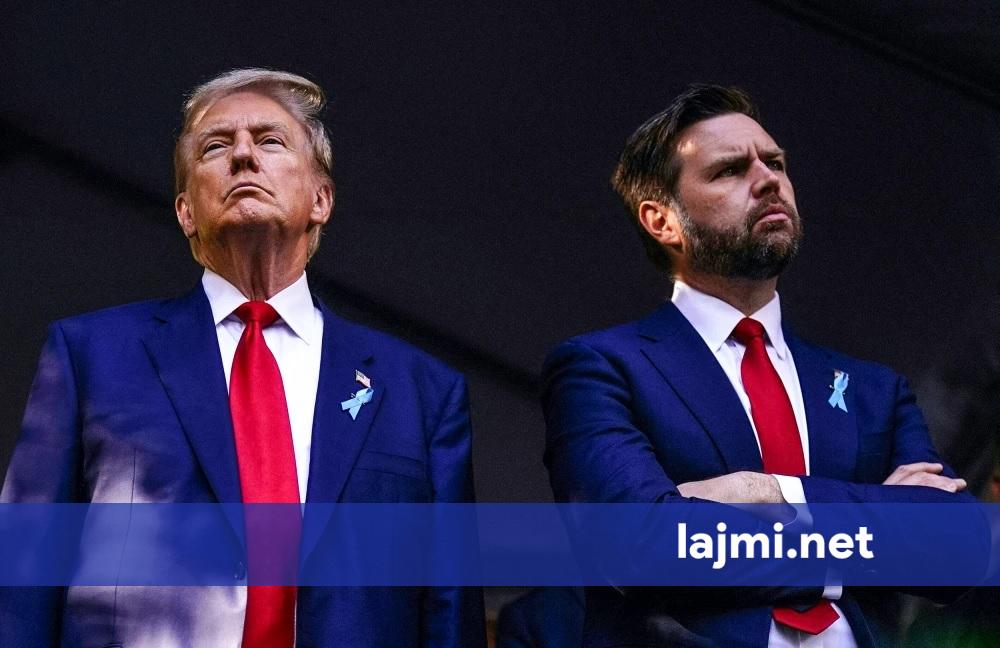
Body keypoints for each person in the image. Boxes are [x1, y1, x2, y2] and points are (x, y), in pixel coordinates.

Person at [0, 69, 485, 647]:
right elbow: (23, 577)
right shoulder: (89, 357)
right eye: (215, 146)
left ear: (321, 199)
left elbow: (450, 610)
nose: (243, 156)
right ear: (185, 211)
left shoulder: (422, 391)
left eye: (270, 140)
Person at [542, 84, 974, 647]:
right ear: (662, 221)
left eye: (775, 163)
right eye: (729, 170)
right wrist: (876, 536)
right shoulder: (601, 368)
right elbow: (642, 546)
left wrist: (769, 492)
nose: (768, 180)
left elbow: (957, 547)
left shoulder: (875, 390)